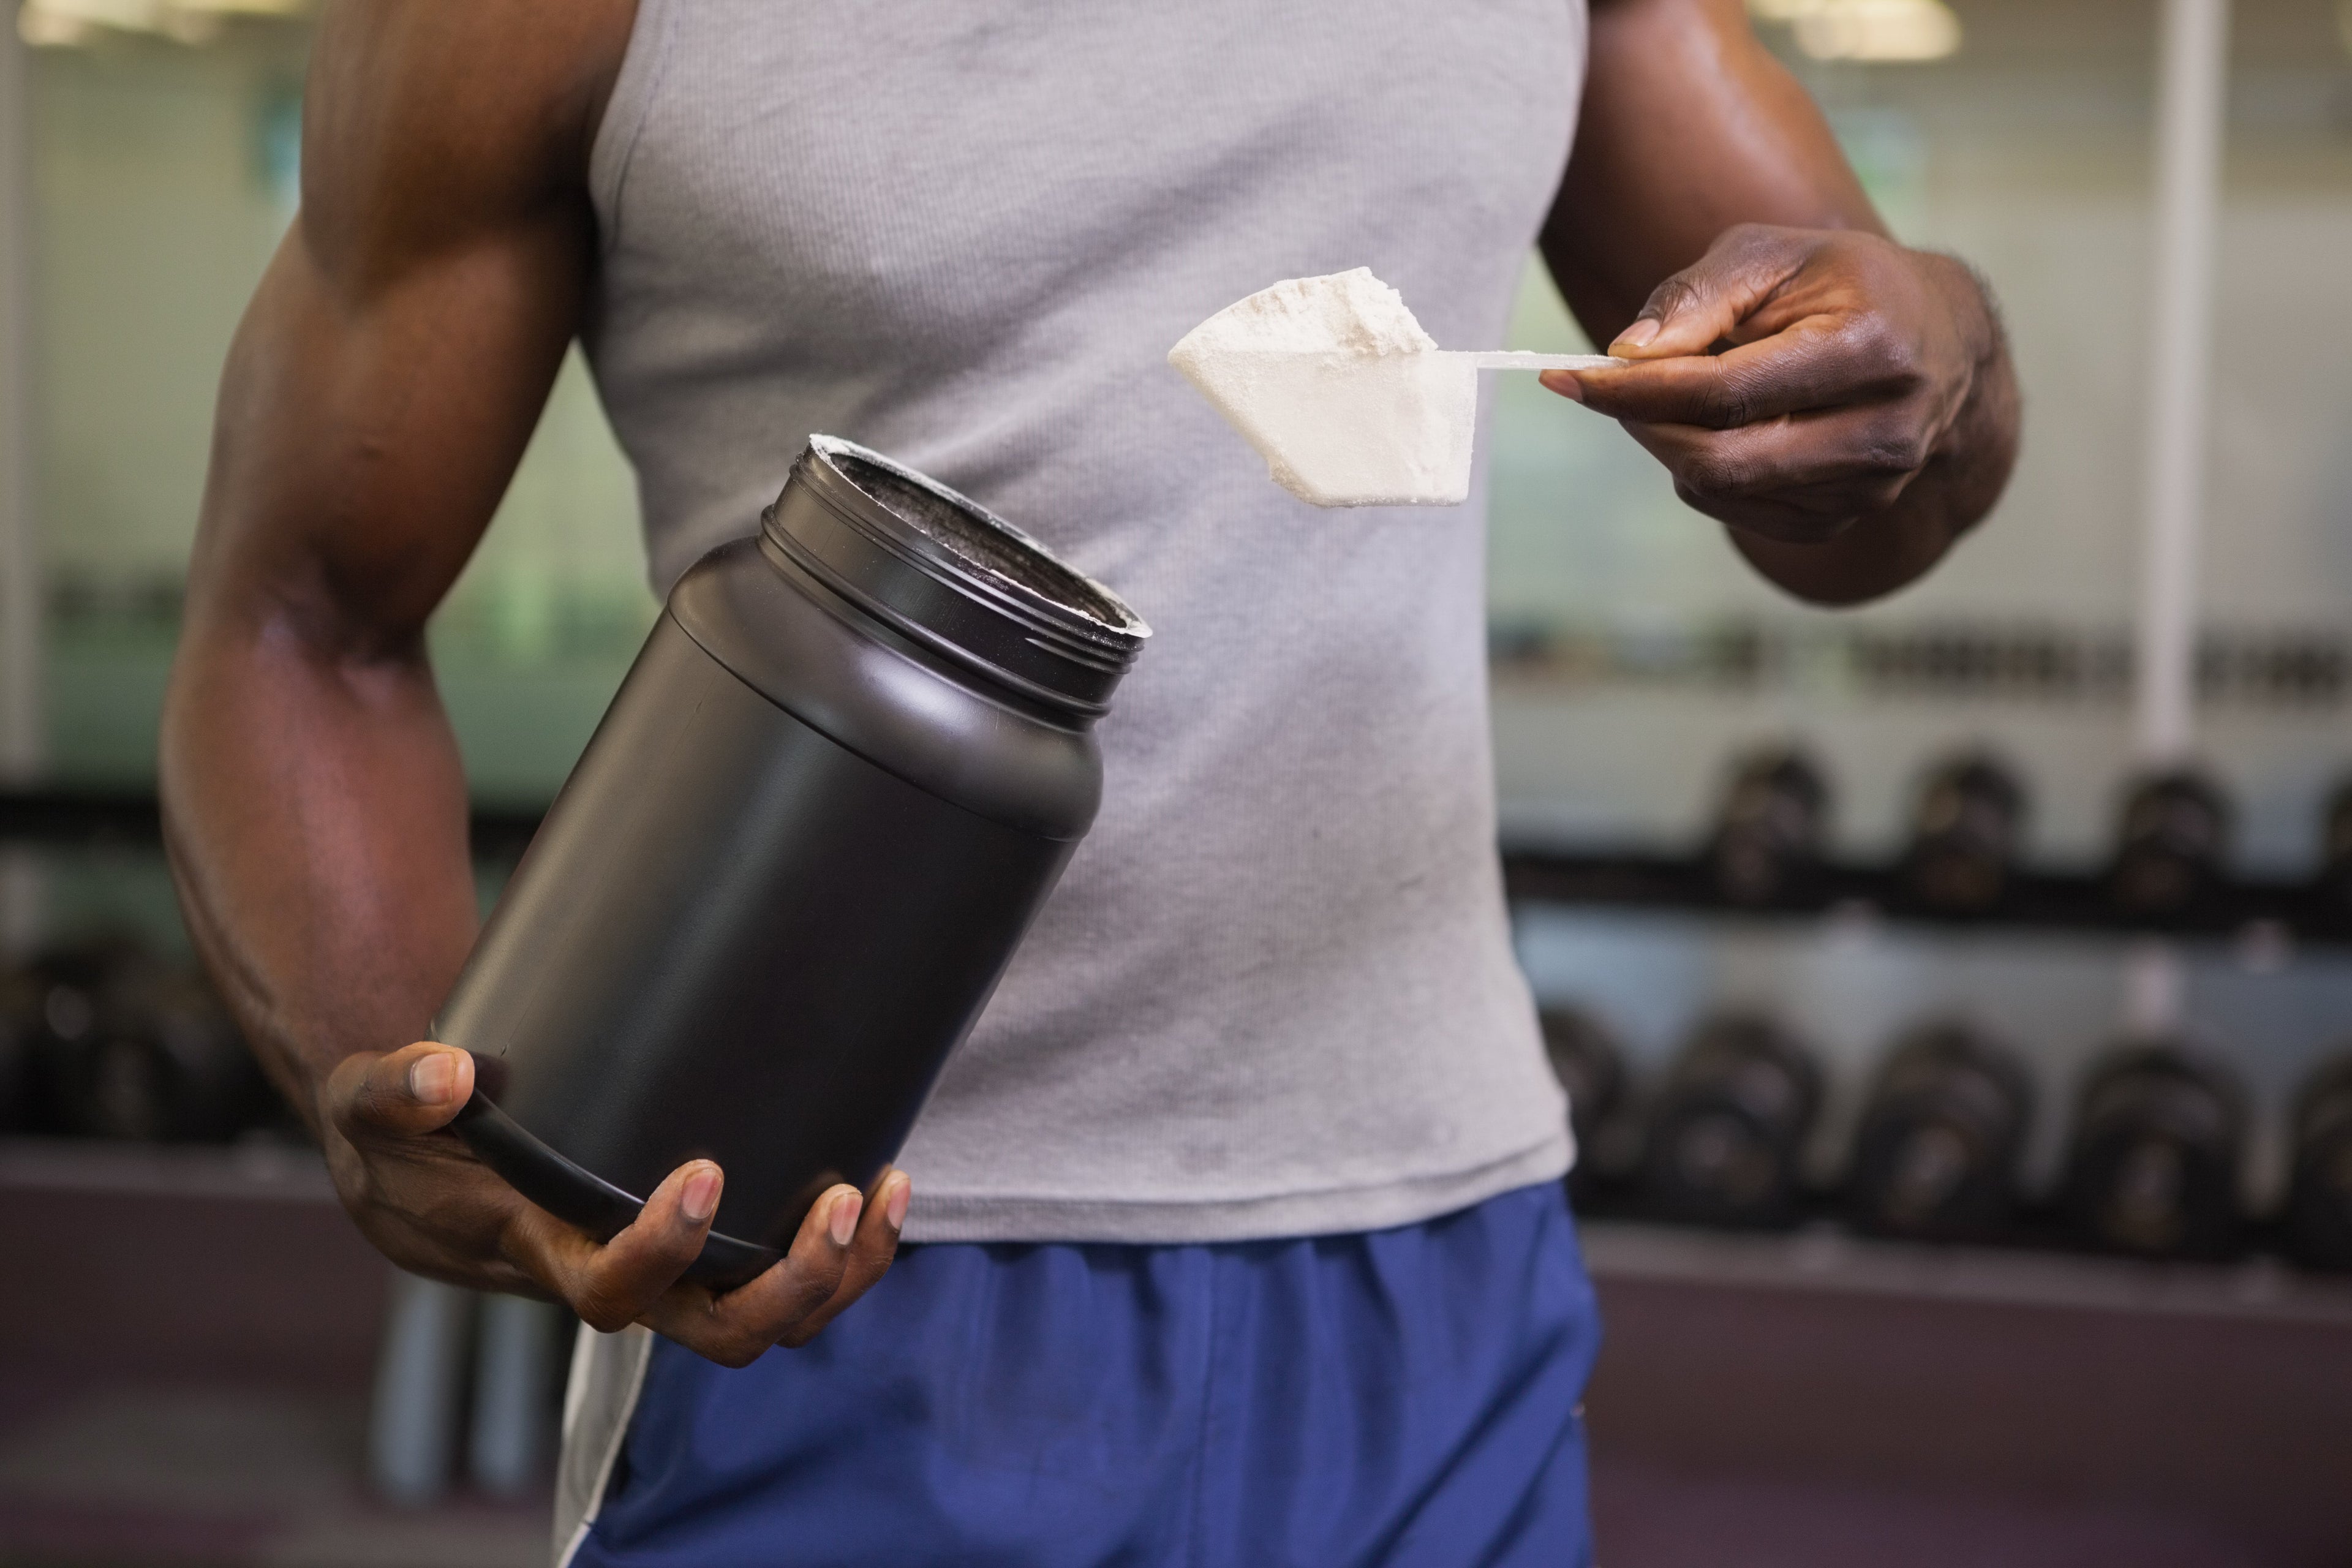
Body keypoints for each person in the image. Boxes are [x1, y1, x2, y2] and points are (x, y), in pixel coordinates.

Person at [160, 0, 2018, 1562]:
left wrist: (1942, 348)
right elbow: (301, 622)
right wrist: (409, 1100)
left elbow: (1864, 501)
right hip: (817, 1280)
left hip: (1430, 1257)